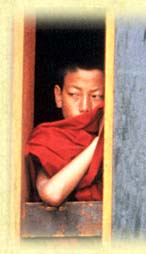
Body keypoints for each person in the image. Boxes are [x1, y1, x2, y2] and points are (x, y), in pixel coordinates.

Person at [26, 62, 105, 206]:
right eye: (74, 94)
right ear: (59, 96)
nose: (85, 107)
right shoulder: (48, 139)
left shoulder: (119, 143)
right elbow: (52, 193)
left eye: (96, 96)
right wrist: (98, 142)